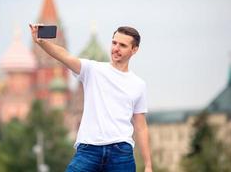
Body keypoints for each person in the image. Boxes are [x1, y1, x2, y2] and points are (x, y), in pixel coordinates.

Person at [29, 24, 153, 172]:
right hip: (89, 150)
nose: (116, 48)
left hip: (121, 152)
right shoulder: (93, 70)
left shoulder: (138, 84)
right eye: (114, 43)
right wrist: (41, 42)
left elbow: (141, 126)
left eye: (123, 45)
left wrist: (148, 165)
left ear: (134, 50)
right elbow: (64, 55)